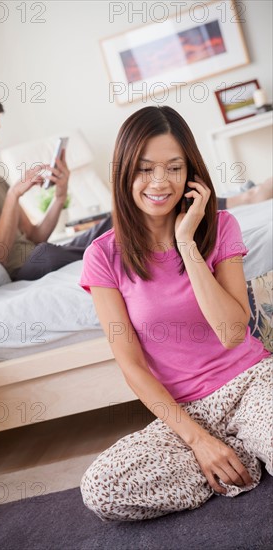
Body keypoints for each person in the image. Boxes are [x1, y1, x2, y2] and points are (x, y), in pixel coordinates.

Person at [79, 106, 272, 522]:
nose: (159, 182)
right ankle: (234, 456)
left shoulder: (220, 225)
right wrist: (198, 440)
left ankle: (244, 453)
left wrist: (186, 244)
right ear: (125, 174)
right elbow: (132, 367)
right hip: (184, 412)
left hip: (251, 383)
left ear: (191, 174)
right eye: (145, 169)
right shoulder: (102, 256)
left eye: (173, 167)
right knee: (102, 489)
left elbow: (232, 333)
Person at [0, 83, 112, 281]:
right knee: (47, 254)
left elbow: (35, 237)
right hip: (22, 270)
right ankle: (98, 252)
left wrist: (59, 196)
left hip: (41, 255)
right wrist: (13, 195)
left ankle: (100, 248)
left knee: (114, 222)